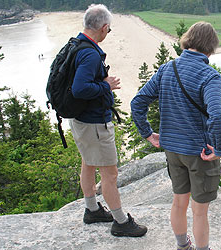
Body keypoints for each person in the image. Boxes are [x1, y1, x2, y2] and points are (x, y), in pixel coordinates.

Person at [131, 21, 221, 250]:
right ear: (211, 45)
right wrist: (220, 149)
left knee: (178, 202)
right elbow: (216, 117)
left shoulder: (167, 68)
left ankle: (183, 246)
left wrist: (148, 134)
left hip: (172, 150)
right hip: (200, 152)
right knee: (200, 211)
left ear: (188, 40)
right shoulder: (209, 76)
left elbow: (138, 102)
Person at [69, 4, 147, 237]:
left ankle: (92, 209)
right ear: (103, 27)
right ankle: (121, 222)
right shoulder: (90, 53)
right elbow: (79, 89)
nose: (107, 33)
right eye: (109, 30)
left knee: (88, 162)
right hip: (94, 123)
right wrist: (106, 85)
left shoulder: (75, 44)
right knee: (110, 174)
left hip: (80, 120)